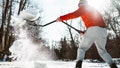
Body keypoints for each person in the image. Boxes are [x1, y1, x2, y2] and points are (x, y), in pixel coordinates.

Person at [56, 0, 118, 68]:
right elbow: (96, 25)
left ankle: (78, 66)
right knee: (103, 51)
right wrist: (85, 32)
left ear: (81, 4)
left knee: (81, 49)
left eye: (79, 6)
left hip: (93, 29)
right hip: (103, 31)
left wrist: (61, 18)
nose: (79, 7)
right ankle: (113, 65)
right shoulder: (93, 9)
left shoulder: (84, 8)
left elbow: (74, 14)